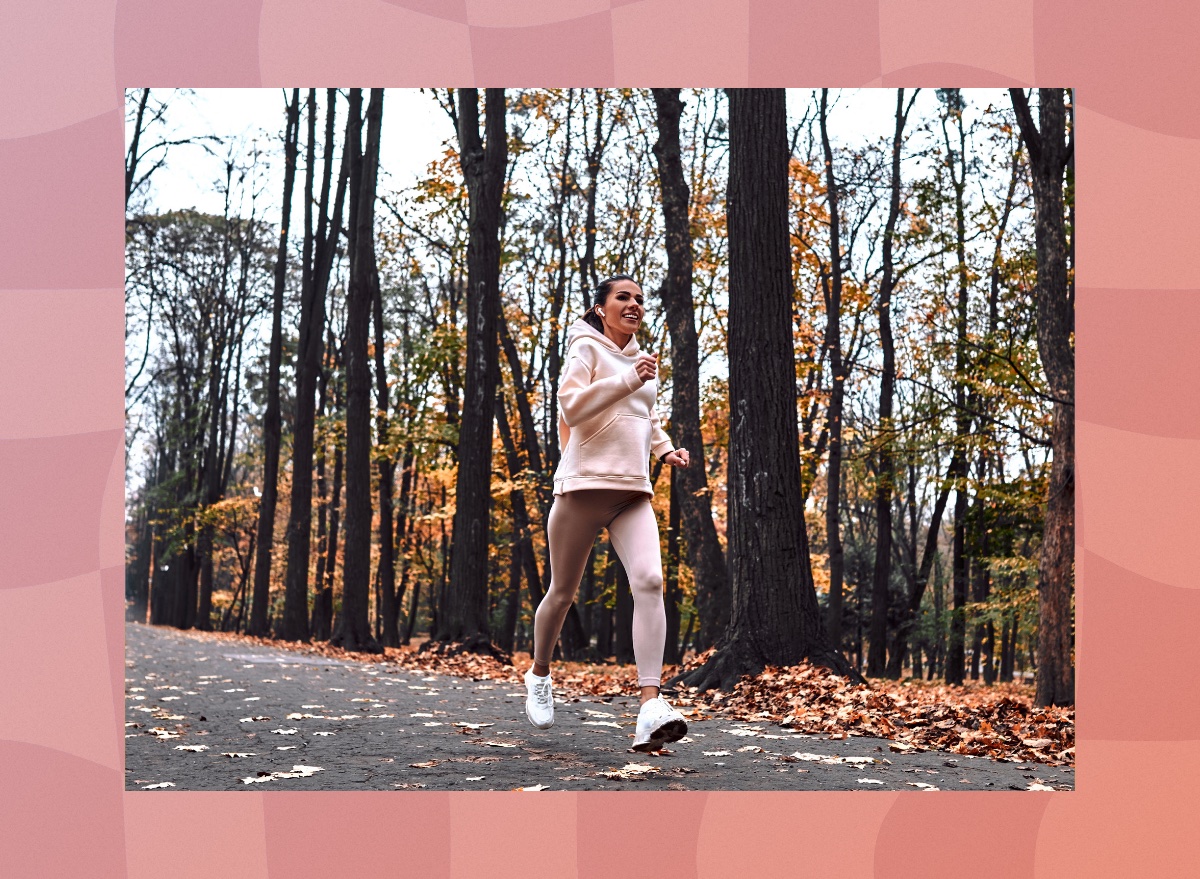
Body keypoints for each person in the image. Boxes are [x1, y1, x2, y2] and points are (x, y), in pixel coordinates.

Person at [524, 273, 692, 753]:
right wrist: (627, 377)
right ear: (601, 308)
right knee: (561, 593)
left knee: (650, 581)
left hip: (631, 493)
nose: (634, 304)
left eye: (640, 298)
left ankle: (649, 706)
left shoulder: (642, 360)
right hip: (581, 489)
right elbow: (572, 409)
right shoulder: (586, 348)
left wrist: (664, 450)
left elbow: (645, 417)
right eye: (623, 297)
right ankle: (539, 672)